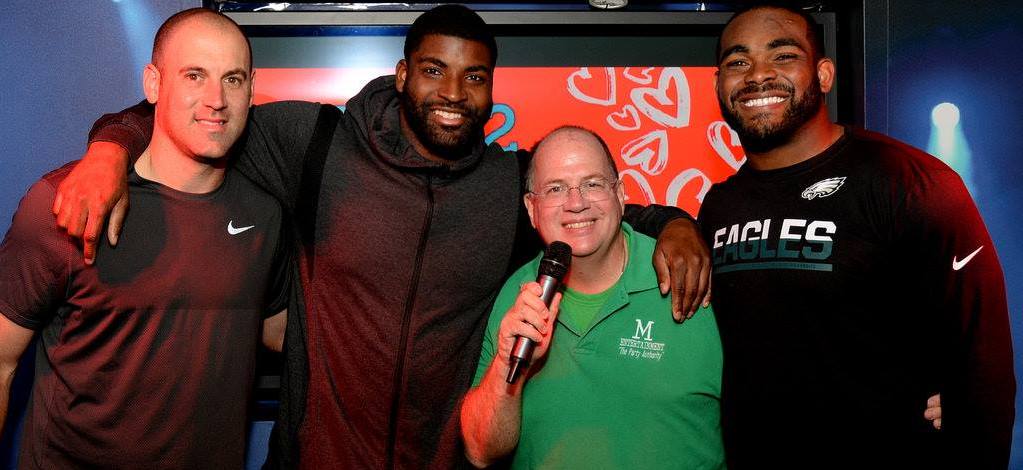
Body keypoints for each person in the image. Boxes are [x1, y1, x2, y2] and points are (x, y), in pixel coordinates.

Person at [53, 5, 713, 468]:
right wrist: (110, 149)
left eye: (474, 77)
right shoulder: (316, 144)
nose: (453, 92)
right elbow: (199, 117)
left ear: (491, 89)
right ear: (402, 76)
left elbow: (588, 208)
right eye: (434, 70)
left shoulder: (505, 188)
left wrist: (674, 224)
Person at [700, 4, 1014, 467]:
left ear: (824, 74)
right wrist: (670, 224)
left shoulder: (909, 181)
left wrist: (971, 416)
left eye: (783, 55)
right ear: (718, 85)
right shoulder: (719, 206)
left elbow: (983, 358)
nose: (758, 75)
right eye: (738, 61)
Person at [0, 9, 289, 469]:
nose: (216, 99)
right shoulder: (68, 202)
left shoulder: (263, 215)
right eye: (194, 75)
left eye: (232, 79)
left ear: (251, 89)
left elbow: (279, 329)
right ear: (153, 83)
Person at [461, 126, 725, 469]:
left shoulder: (686, 275)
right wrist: (505, 365)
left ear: (620, 194)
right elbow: (480, 451)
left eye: (593, 184)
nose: (576, 203)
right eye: (555, 189)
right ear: (531, 208)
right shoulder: (518, 293)